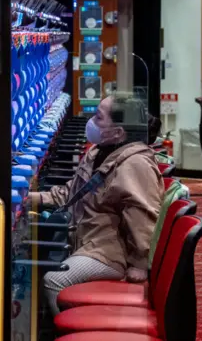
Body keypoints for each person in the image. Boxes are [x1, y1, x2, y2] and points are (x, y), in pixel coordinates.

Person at [29, 96, 164, 316]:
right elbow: (70, 193)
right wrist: (33, 198)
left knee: (54, 280)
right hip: (85, 239)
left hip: (108, 253)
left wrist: (140, 264)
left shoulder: (134, 164)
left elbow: (143, 216)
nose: (91, 121)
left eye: (99, 117)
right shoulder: (99, 152)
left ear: (118, 132)